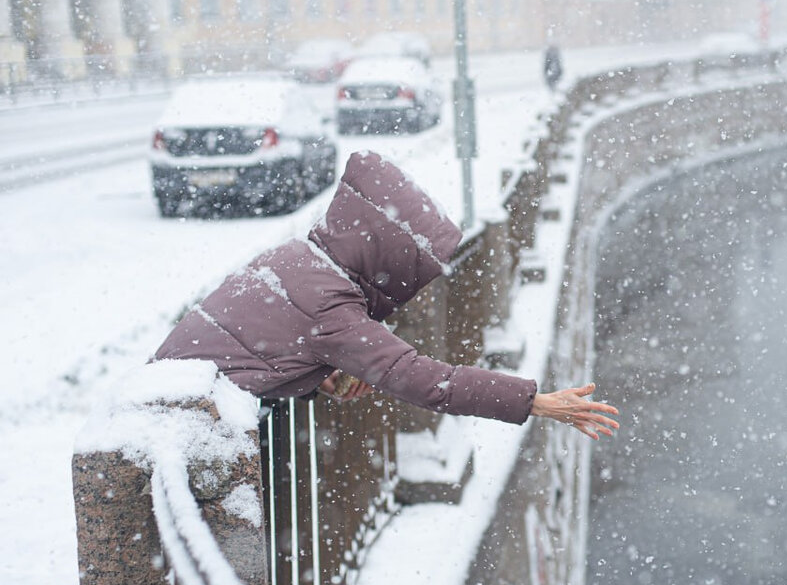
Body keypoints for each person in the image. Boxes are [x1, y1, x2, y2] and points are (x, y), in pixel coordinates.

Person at [153, 150, 619, 440]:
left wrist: (314, 376)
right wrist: (534, 401)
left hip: (162, 405)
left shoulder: (297, 258)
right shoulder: (330, 308)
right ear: (388, 260)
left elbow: (258, 342)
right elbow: (424, 380)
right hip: (183, 434)